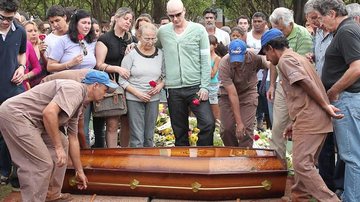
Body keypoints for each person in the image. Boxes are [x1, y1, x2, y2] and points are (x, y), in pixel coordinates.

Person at [0, 70, 118, 201]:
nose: (105, 94)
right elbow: (49, 113)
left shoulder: (78, 105)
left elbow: (73, 138)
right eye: (105, 89)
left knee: (64, 142)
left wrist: (79, 171)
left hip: (33, 121)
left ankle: (52, 194)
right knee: (41, 164)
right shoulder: (75, 89)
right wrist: (57, 147)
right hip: (16, 116)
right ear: (95, 85)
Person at [259, 28, 342, 202]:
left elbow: (305, 83)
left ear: (271, 48)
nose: (267, 58)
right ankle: (299, 197)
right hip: (313, 118)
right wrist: (293, 121)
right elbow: (302, 92)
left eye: (266, 53)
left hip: (311, 119)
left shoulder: (286, 61)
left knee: (302, 165)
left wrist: (326, 105)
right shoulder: (298, 57)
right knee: (304, 164)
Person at [312, 0, 360, 201]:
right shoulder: (346, 30)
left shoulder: (346, 31)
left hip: (347, 100)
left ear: (331, 14)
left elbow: (357, 68)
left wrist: (333, 91)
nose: (320, 24)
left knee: (351, 156)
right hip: (348, 99)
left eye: (321, 18)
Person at [157, 0, 215, 146]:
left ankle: (203, 157)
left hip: (196, 87)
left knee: (208, 123)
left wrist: (205, 86)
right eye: (171, 16)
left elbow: (205, 60)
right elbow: (150, 46)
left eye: (178, 14)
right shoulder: (163, 32)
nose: (175, 19)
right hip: (173, 88)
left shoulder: (198, 30)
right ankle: (183, 163)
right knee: (179, 131)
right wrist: (134, 45)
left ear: (184, 11)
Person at [267, 7, 313, 159]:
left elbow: (303, 65)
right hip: (282, 85)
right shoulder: (276, 35)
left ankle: (299, 165)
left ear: (290, 23)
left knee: (298, 126)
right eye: (276, 29)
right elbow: (273, 61)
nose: (279, 33)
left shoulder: (302, 34)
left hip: (299, 86)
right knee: (278, 126)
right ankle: (277, 166)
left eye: (281, 29)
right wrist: (272, 84)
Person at [120, 23, 165, 147]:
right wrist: (138, 94)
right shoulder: (131, 54)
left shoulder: (161, 54)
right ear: (139, 36)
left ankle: (149, 163)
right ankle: (137, 163)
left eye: (153, 38)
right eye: (147, 38)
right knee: (137, 137)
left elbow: (165, 75)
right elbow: (122, 80)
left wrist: (160, 85)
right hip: (134, 98)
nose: (150, 42)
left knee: (149, 136)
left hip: (153, 98)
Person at [95, 7, 134, 148]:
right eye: (125, 18)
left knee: (127, 122)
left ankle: (125, 153)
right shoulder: (105, 39)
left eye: (130, 20)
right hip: (111, 84)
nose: (128, 22)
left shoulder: (131, 39)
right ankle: (112, 154)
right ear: (116, 18)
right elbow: (99, 64)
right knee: (112, 123)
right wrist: (117, 68)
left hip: (129, 85)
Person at [218, 39, 269, 147]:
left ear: (245, 53)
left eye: (239, 58)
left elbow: (270, 63)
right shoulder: (224, 63)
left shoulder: (254, 57)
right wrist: (238, 122)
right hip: (227, 95)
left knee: (246, 129)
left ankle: (245, 157)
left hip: (248, 93)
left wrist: (272, 83)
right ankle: (232, 152)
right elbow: (233, 94)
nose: (236, 62)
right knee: (226, 129)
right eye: (234, 58)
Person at [0, 0, 26, 189]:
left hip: (11, 90)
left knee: (10, 133)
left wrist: (22, 67)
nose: (6, 22)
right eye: (1, 17)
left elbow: (21, 53)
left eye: (10, 18)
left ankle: (6, 172)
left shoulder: (20, 31)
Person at [208, 35, 221, 121]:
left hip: (213, 85)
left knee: (215, 111)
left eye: (210, 44)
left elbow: (212, 74)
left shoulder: (217, 58)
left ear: (215, 45)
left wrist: (206, 59)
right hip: (204, 85)